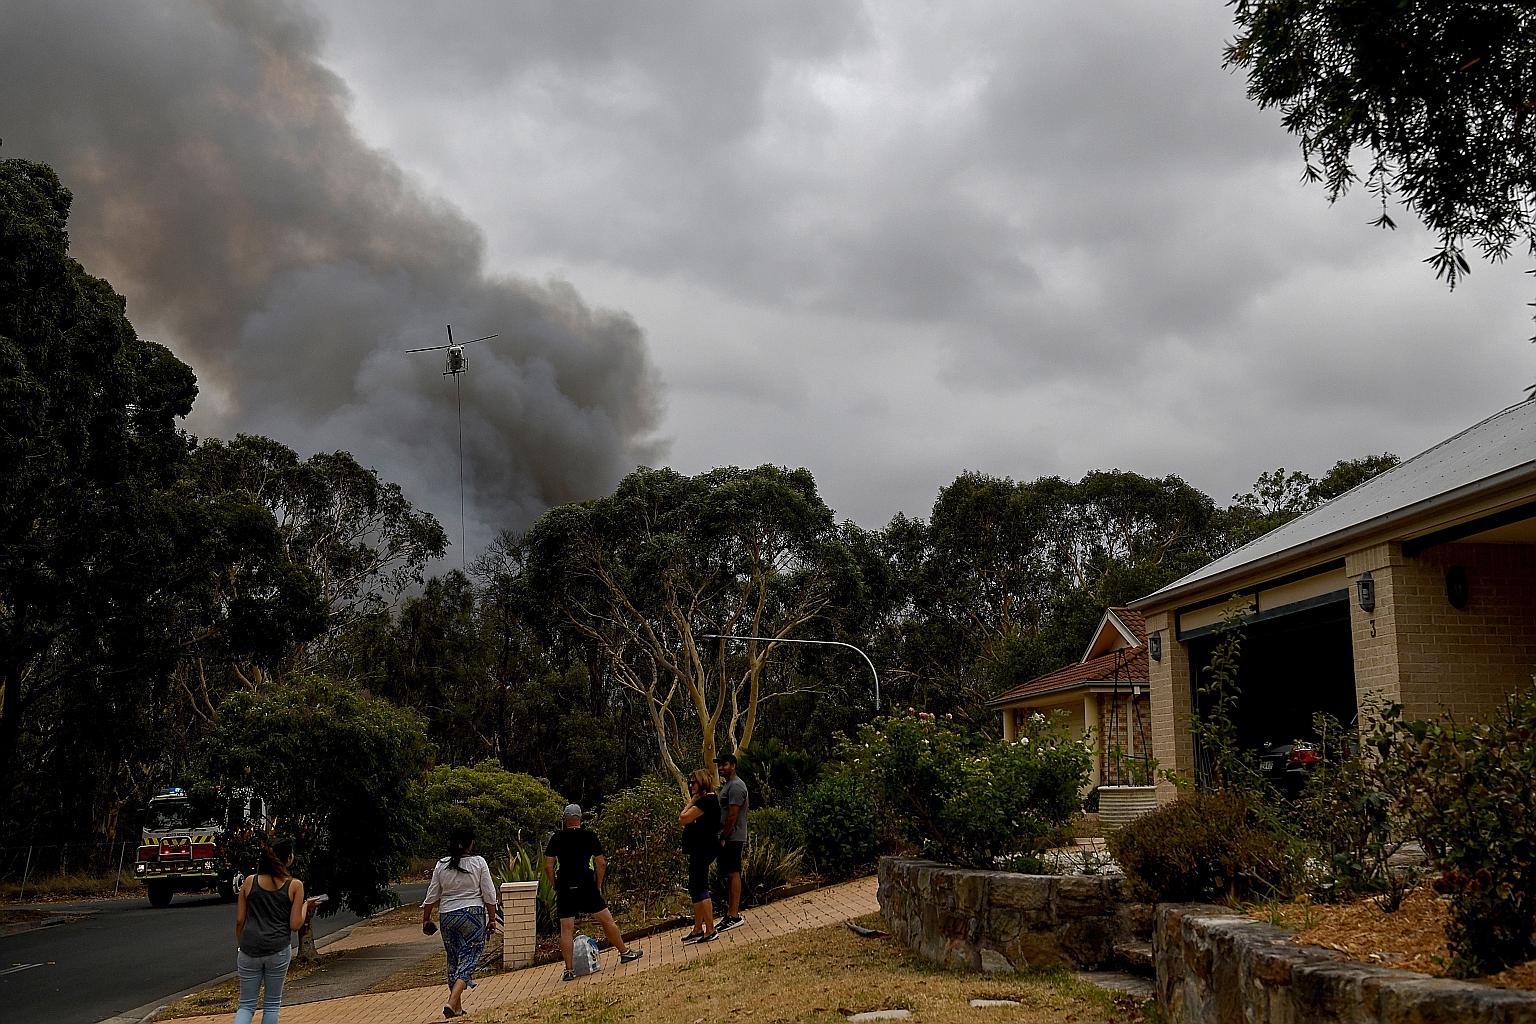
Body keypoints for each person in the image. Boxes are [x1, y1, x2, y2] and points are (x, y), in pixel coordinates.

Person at [543, 803, 644, 981]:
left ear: (565, 820)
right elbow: (601, 863)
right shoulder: (589, 836)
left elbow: (548, 865)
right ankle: (624, 952)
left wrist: (555, 885)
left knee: (566, 929)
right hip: (586, 883)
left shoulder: (557, 838)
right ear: (580, 819)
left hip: (565, 885)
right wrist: (598, 884)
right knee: (606, 920)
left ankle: (569, 970)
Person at [232, 837, 324, 1024]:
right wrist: (306, 905)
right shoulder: (294, 885)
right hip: (278, 949)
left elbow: (240, 920)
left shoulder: (249, 882)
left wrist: (241, 944)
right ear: (288, 858)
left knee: (246, 1005)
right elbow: (295, 925)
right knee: (272, 1004)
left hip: (249, 949)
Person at [421, 825, 499, 1019]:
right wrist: (492, 918)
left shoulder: (441, 864)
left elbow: (432, 894)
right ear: (470, 844)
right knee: (469, 958)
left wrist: (426, 919)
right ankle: (451, 1001)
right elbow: (489, 894)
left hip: (447, 915)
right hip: (472, 915)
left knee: (453, 959)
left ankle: (457, 1008)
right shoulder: (478, 863)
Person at [678, 768, 721, 943]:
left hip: (704, 848)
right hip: (697, 849)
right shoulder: (705, 800)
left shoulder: (706, 801)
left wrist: (691, 801)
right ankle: (697, 928)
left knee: (701, 886)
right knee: (694, 887)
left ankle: (710, 928)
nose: (691, 786)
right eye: (689, 783)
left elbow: (683, 818)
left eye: (693, 783)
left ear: (702, 782)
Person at [715, 752, 749, 931]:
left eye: (725, 764)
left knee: (733, 873)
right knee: (729, 874)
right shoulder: (728, 785)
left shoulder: (736, 786)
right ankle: (730, 913)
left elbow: (733, 815)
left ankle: (734, 915)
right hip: (728, 836)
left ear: (733, 766)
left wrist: (724, 836)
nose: (721, 768)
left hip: (733, 837)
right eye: (719, 765)